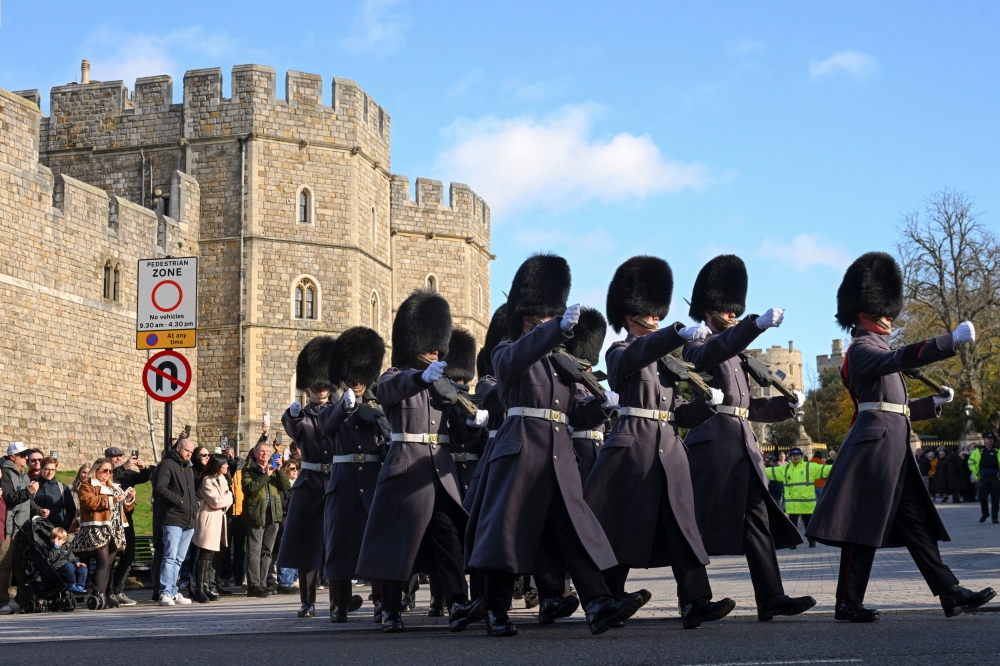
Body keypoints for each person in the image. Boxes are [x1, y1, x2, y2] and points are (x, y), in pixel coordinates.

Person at [806, 251, 996, 622]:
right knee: (862, 526)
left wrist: (933, 403)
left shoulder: (879, 350)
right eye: (883, 311)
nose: (890, 317)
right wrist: (947, 341)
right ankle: (847, 602)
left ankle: (949, 592)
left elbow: (897, 408)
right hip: (874, 450)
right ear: (864, 313)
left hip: (892, 449)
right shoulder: (862, 349)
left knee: (916, 525)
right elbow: (901, 365)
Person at [468, 254, 647, 637]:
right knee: (508, 532)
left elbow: (574, 414)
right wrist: (551, 332)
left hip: (557, 455)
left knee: (574, 532)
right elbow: (511, 364)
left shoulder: (560, 363)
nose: (550, 324)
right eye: (543, 318)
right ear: (527, 317)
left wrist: (600, 406)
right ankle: (495, 611)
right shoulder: (506, 351)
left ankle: (597, 604)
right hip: (520, 453)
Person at [585, 255, 731, 631]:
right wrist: (673, 335)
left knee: (683, 527)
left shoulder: (666, 362)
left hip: (668, 447)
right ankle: (608, 599)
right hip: (633, 448)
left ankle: (695, 601)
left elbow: (676, 412)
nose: (655, 319)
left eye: (657, 315)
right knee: (621, 525)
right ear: (631, 316)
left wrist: (706, 406)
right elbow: (636, 356)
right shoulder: (619, 351)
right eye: (649, 315)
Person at [682, 254, 816, 622]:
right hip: (711, 446)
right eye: (727, 310)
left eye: (735, 311)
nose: (732, 315)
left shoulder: (736, 352)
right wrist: (755, 325)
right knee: (692, 524)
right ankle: (693, 599)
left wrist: (785, 406)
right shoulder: (697, 345)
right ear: (709, 310)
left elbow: (747, 406)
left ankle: (771, 596)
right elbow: (714, 351)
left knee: (757, 521)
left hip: (742, 445)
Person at [356, 288, 481, 633]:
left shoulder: (443, 382)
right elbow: (389, 392)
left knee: (448, 537)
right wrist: (419, 378)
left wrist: (470, 424)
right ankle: (392, 609)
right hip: (405, 468)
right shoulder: (394, 375)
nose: (435, 351)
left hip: (440, 471)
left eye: (437, 345)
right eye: (428, 345)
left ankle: (458, 602)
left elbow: (454, 434)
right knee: (398, 541)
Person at [320, 326, 388, 623]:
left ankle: (382, 602)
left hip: (373, 480)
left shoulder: (378, 407)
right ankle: (339, 603)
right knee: (340, 544)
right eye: (352, 378)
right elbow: (326, 426)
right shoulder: (334, 408)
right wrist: (345, 409)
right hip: (345, 480)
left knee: (376, 543)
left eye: (361, 378)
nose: (357, 383)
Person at [279, 336, 337, 617]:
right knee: (307, 545)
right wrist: (292, 414)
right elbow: (292, 427)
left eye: (325, 384)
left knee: (339, 543)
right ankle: (308, 602)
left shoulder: (339, 412)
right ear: (308, 387)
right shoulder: (302, 415)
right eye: (316, 384)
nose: (321, 389)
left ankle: (339, 599)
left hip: (335, 482)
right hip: (311, 483)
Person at [74, 458, 136, 609]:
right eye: (105, 471)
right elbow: (88, 502)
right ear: (96, 470)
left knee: (108, 564)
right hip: (97, 527)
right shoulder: (87, 484)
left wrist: (128, 499)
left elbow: (124, 509)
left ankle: (105, 595)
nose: (108, 474)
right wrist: (111, 500)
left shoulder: (114, 487)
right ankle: (98, 595)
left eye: (110, 471)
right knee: (102, 562)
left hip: (115, 528)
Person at [242, 439, 291, 598]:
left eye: (268, 452)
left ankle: (263, 583)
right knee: (254, 551)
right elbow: (251, 488)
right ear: (255, 454)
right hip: (257, 514)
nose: (265, 454)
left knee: (267, 551)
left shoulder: (274, 469)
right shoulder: (249, 470)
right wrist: (265, 475)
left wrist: (280, 469)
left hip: (273, 515)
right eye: (262, 451)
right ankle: (254, 585)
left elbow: (285, 487)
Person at [153, 436, 198, 606]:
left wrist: (195, 504)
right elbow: (160, 488)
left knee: (179, 558)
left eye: (191, 452)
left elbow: (191, 491)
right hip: (173, 518)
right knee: (170, 557)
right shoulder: (167, 464)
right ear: (178, 448)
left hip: (188, 519)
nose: (189, 454)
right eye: (187, 450)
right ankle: (165, 592)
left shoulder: (187, 468)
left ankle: (173, 590)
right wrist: (180, 501)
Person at [107, 446, 152, 606]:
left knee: (129, 554)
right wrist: (123, 466)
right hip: (109, 521)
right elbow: (109, 479)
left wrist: (142, 467)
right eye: (115, 456)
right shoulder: (106, 472)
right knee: (111, 557)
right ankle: (109, 591)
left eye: (120, 456)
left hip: (126, 519)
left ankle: (118, 589)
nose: (118, 458)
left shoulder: (127, 473)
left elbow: (146, 478)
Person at [765, 448, 831, 548]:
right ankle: (793, 543)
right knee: (792, 526)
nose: (796, 457)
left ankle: (811, 541)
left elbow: (826, 469)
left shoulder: (809, 467)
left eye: (798, 455)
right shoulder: (785, 469)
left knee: (808, 525)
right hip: (793, 505)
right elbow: (768, 471)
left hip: (806, 504)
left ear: (801, 456)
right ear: (790, 457)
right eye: (793, 455)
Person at [191, 453, 234, 603]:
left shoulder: (222, 479)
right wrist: (227, 498)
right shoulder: (206, 481)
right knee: (204, 554)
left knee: (211, 556)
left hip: (218, 520)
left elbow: (228, 496)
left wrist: (227, 498)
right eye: (225, 464)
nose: (227, 466)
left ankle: (206, 585)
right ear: (218, 465)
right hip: (207, 520)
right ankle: (199, 589)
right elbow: (216, 501)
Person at [1, 442, 37, 615]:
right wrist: (28, 492)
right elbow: (8, 497)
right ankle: (2, 602)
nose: (26, 458)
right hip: (8, 527)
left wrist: (38, 510)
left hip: (22, 527)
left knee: (21, 565)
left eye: (26, 455)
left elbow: (27, 501)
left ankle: (24, 601)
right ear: (12, 457)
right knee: (4, 566)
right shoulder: (6, 472)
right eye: (23, 455)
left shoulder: (24, 475)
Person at [273, 459, 301, 596]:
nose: (295, 471)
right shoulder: (285, 485)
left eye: (296, 468)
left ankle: (292, 579)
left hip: (297, 519)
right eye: (292, 468)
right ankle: (284, 581)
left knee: (295, 549)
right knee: (285, 549)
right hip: (286, 518)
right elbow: (284, 503)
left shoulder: (299, 484)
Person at [33, 457, 76, 531]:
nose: (50, 473)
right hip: (37, 530)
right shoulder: (33, 486)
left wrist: (64, 526)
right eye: (47, 469)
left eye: (53, 469)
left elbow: (71, 509)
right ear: (41, 469)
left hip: (57, 531)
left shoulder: (62, 487)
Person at [970, 432, 999, 523]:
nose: (990, 440)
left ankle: (994, 518)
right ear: (984, 440)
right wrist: (976, 472)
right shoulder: (978, 451)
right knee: (982, 497)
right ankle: (985, 513)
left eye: (992, 439)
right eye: (988, 438)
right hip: (983, 476)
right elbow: (970, 463)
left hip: (995, 477)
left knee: (995, 499)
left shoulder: (997, 451)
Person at [47, 527, 87, 593]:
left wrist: (77, 562)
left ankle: (80, 586)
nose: (55, 541)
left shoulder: (66, 548)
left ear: (63, 541)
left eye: (59, 539)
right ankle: (72, 585)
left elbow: (72, 558)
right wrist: (55, 548)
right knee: (69, 565)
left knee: (83, 568)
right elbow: (51, 558)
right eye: (53, 538)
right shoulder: (50, 549)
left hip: (69, 566)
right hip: (58, 568)